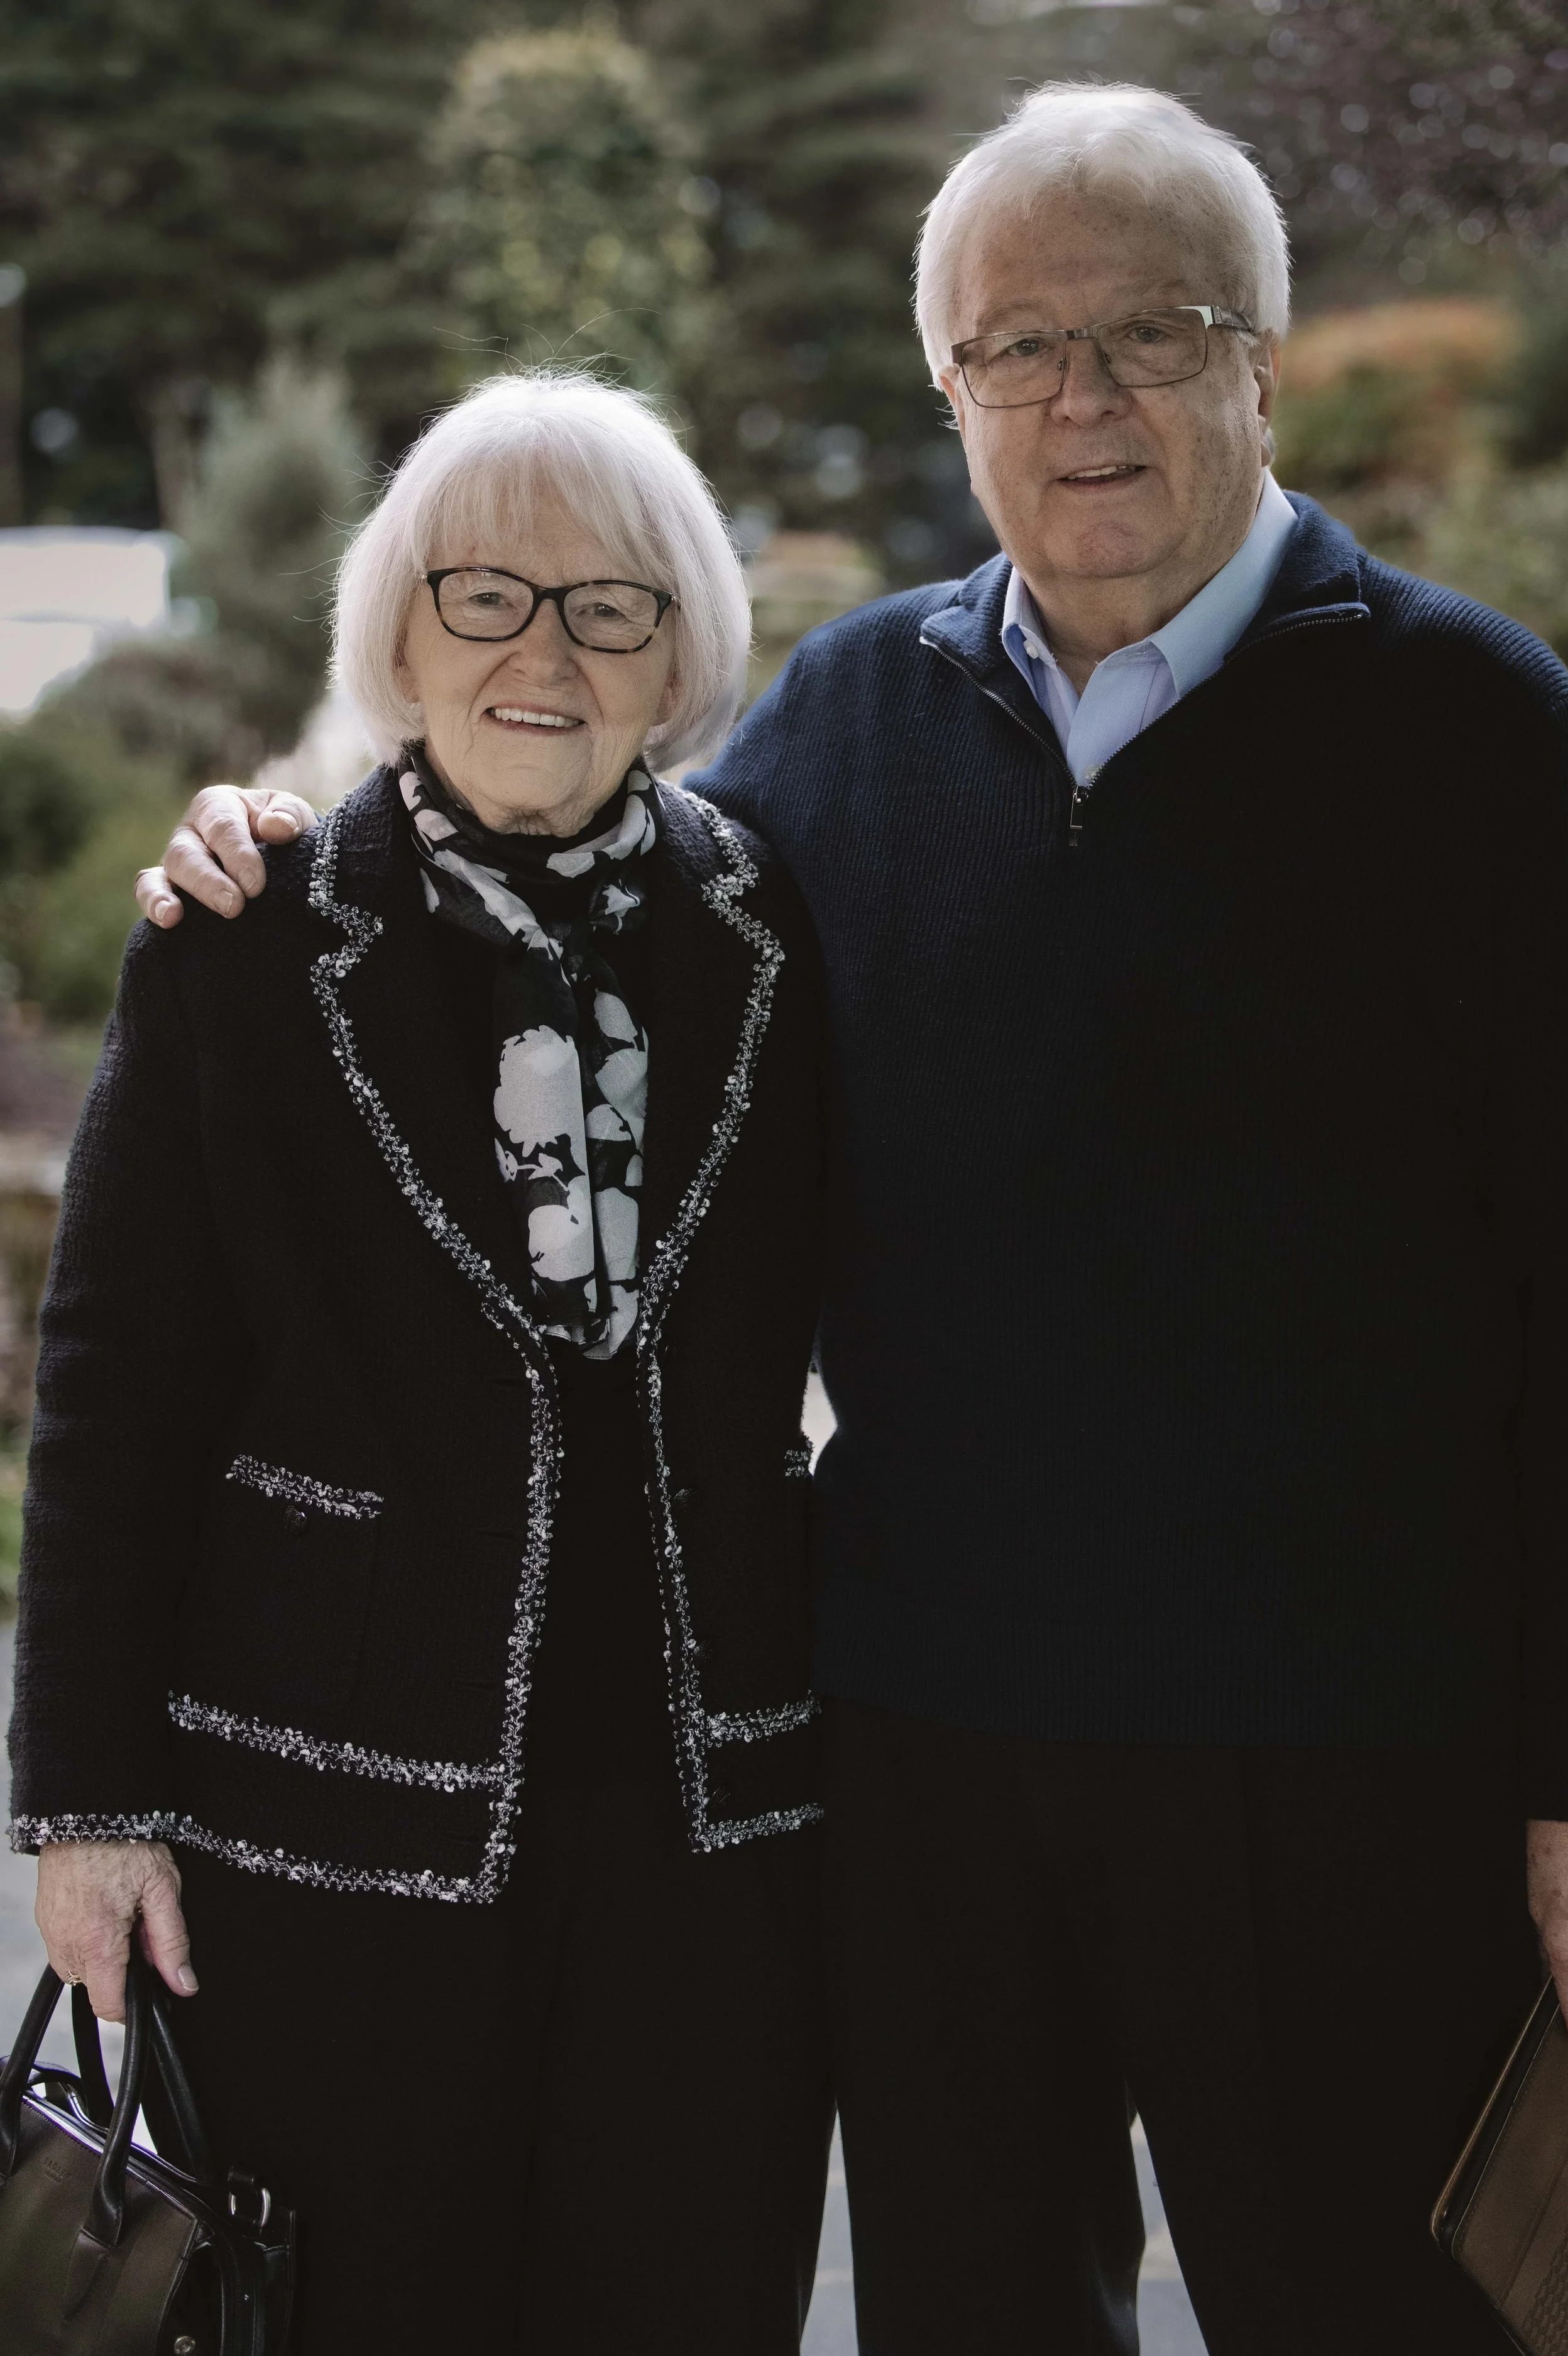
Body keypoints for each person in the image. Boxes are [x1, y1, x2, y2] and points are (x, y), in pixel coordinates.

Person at [136, 80, 1568, 2356]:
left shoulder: (1488, 743)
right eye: (1014, 345)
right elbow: (549, 820)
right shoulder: (847, 718)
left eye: (1151, 332)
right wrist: (285, 832)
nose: (1078, 395)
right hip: (922, 1756)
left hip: (1336, 1763)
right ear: (949, 391)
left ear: (1260, 361)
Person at [9, 371, 833, 2353]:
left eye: (608, 605)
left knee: (681, 2293)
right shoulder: (248, 932)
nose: (541, 650)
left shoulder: (769, 925)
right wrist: (86, 1800)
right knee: (360, 2302)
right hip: (328, 1820)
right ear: (395, 632)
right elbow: (117, 1381)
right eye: (482, 594)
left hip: (707, 1834)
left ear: (680, 658)